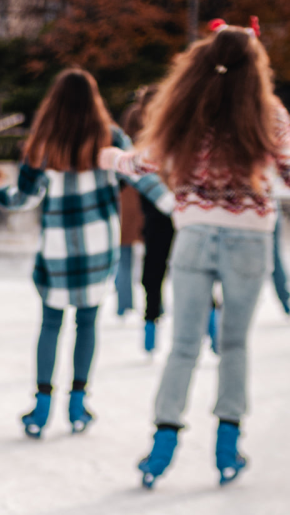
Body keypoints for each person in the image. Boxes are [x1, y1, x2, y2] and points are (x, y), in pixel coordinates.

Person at [101, 22, 290, 488]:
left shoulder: (187, 108)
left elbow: (141, 162)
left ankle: (162, 442)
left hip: (194, 234)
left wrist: (107, 157)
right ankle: (228, 443)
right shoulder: (270, 114)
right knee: (234, 344)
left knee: (184, 344)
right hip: (250, 238)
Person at [0, 69, 172, 440]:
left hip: (58, 247)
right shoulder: (110, 138)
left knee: (51, 323)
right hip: (98, 246)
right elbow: (141, 177)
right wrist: (177, 206)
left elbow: (24, 198)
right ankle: (78, 403)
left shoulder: (43, 143)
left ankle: (42, 406)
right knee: (87, 323)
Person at [122, 85, 179, 353]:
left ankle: (212, 324)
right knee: (154, 274)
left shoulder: (179, 137)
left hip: (181, 216)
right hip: (157, 218)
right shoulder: (142, 143)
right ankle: (150, 325)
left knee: (189, 272)